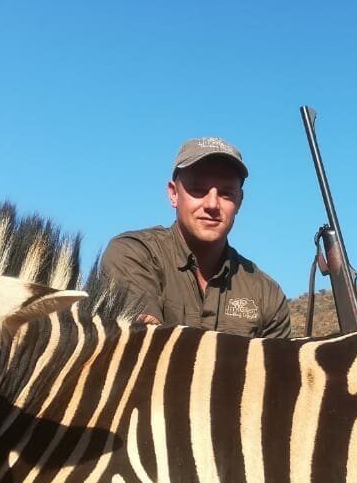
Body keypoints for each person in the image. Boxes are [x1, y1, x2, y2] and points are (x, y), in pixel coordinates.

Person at [100, 136, 292, 338]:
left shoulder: (266, 294)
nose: (212, 205)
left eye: (226, 193)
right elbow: (143, 347)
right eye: (198, 190)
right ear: (173, 194)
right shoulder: (133, 255)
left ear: (239, 201)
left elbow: (277, 368)